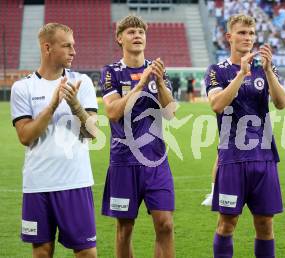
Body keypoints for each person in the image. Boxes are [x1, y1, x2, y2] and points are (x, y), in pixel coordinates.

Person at [10, 23, 98, 258]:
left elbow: (92, 133)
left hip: (75, 182)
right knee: (42, 253)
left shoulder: (83, 82)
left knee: (87, 253)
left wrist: (75, 105)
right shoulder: (23, 87)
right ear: (47, 48)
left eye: (74, 45)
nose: (74, 51)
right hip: (38, 185)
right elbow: (25, 136)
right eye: (67, 45)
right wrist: (52, 105)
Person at [204, 14, 285, 258]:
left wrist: (269, 72)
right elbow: (217, 104)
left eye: (251, 34)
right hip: (232, 159)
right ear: (229, 37)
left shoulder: (265, 70)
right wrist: (241, 74)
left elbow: (282, 103)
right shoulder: (217, 71)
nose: (248, 38)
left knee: (265, 225)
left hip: (264, 158)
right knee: (227, 224)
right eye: (242, 33)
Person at [99, 15, 176, 258]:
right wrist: (141, 83)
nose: (137, 36)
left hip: (155, 159)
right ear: (119, 38)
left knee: (165, 224)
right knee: (125, 228)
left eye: (141, 32)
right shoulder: (111, 72)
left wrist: (160, 83)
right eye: (131, 32)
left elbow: (171, 113)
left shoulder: (157, 69)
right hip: (124, 161)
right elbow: (112, 112)